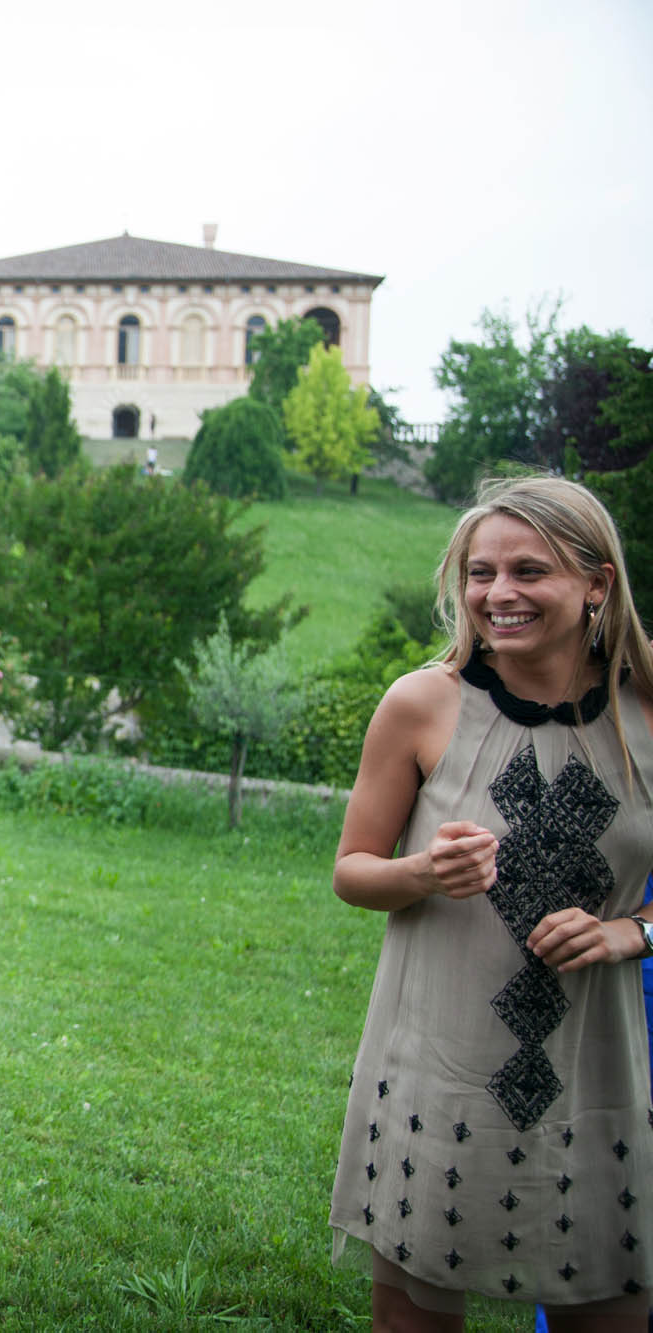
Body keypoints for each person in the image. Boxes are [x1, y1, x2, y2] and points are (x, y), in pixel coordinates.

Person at [329, 475, 653, 1330]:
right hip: (439, 1065)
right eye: (480, 573)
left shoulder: (648, 710)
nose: (498, 594)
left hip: (597, 1069)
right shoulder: (422, 704)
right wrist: (425, 873)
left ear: (596, 584)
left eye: (528, 571)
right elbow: (353, 869)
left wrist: (633, 930)